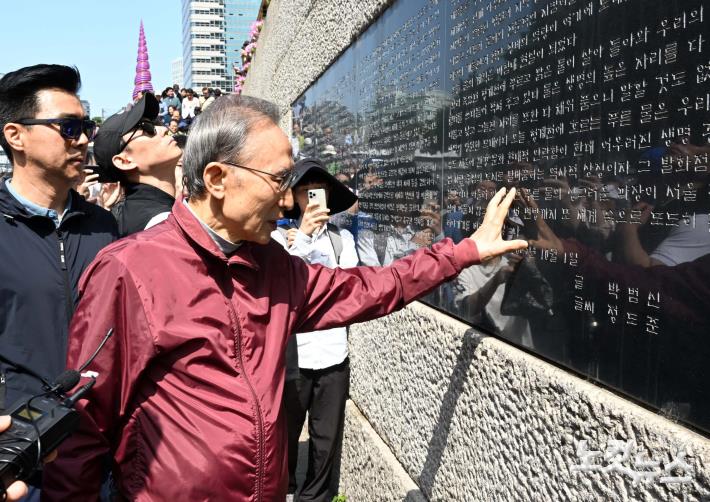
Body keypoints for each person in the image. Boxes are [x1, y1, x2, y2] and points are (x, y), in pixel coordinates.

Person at [42, 95, 526, 501]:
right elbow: (84, 426)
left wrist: (463, 252)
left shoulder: (272, 263)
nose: (289, 199)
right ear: (216, 178)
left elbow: (369, 288)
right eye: (278, 180)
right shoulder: (128, 271)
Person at [0, 64, 118, 497]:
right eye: (68, 127)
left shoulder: (107, 228)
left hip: (104, 464)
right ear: (16, 136)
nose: (84, 139)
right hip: (22, 467)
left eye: (85, 126)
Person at [271, 158, 359, 501]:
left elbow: (346, 288)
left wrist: (309, 246)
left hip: (334, 353)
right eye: (305, 193)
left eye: (317, 192)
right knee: (287, 433)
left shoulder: (342, 240)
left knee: (326, 438)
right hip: (294, 356)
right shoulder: (278, 239)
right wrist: (303, 239)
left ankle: (317, 497)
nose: (312, 200)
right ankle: (285, 489)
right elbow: (284, 283)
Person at [93, 93, 183, 237]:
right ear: (124, 161)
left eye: (155, 124)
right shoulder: (159, 225)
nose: (163, 129)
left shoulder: (133, 216)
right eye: (147, 128)